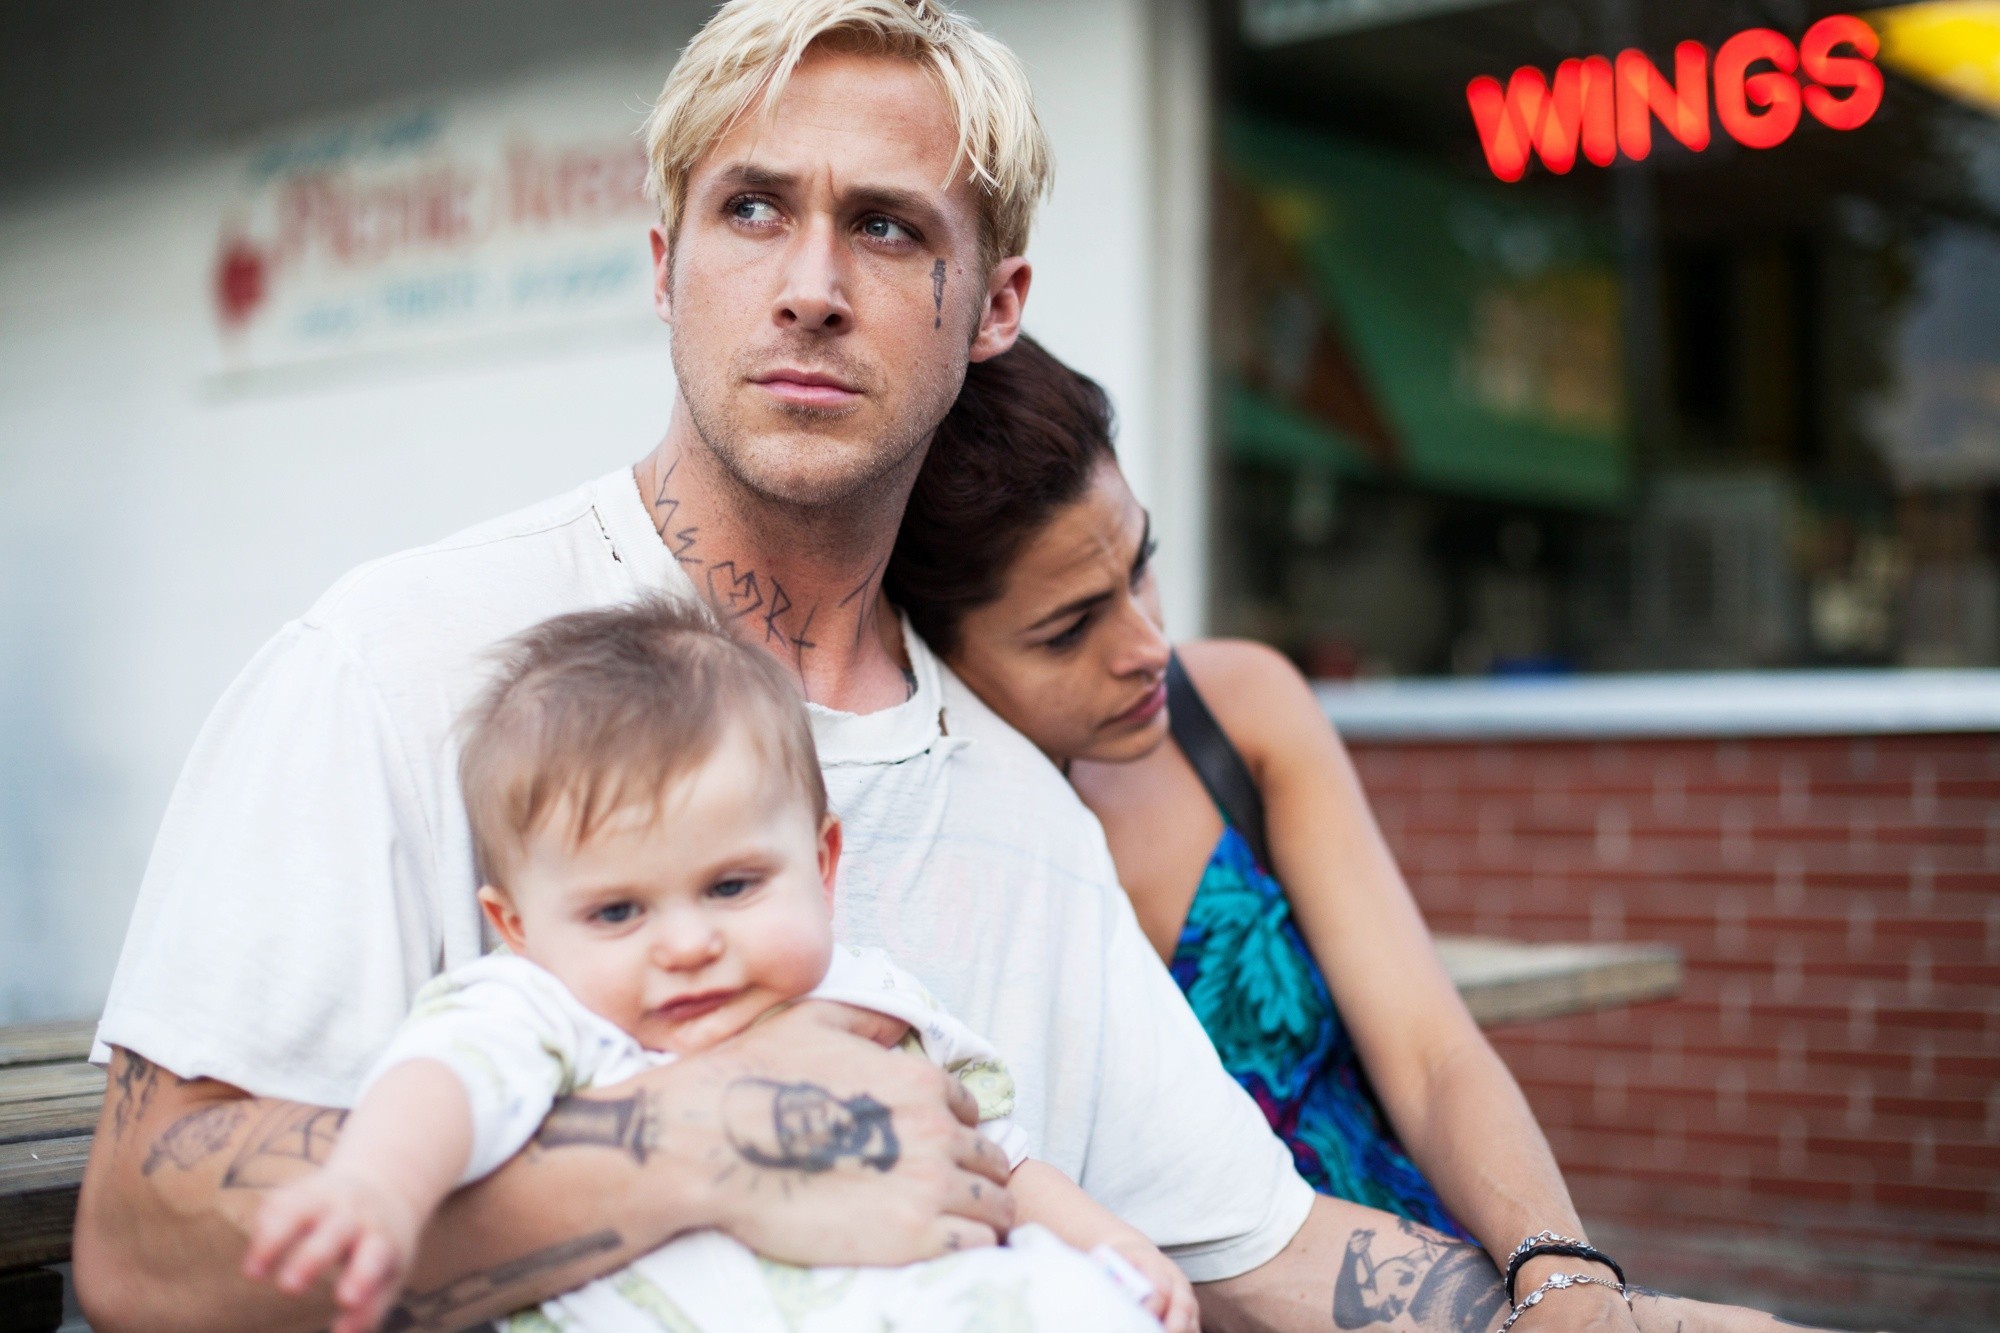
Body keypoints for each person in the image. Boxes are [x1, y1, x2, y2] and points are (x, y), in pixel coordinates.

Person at [79, 4, 1344, 1330]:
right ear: (664, 263)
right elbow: (138, 1251)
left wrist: (1563, 1288)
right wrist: (716, 1141)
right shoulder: (396, 665)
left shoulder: (1025, 813)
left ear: (996, 306)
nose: (810, 284)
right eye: (751, 210)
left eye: (887, 226)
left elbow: (1261, 1247)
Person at [886, 336, 1843, 1333]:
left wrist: (1563, 1276)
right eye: (1068, 626)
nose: (1145, 644)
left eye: (1142, 566)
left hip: (1437, 1286)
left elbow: (1428, 1050)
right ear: (935, 648)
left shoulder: (1235, 710)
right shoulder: (928, 854)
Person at [241, 598, 1194, 1333]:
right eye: (617, 910)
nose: (688, 942)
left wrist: (1107, 1239)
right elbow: (441, 1084)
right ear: (518, 925)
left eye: (733, 886)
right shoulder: (544, 1013)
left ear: (821, 866)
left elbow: (997, 1157)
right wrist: (376, 1187)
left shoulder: (867, 1000)